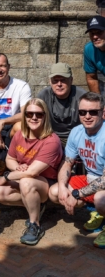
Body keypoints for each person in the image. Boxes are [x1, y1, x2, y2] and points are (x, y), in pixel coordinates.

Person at [0, 98, 62, 245]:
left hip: (46, 182)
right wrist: (17, 167)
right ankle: (36, 204)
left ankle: (35, 225)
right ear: (24, 116)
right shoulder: (19, 134)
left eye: (39, 114)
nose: (34, 118)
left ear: (45, 116)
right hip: (26, 178)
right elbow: (10, 159)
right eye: (29, 114)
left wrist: (7, 176)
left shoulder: (51, 140)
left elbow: (32, 173)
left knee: (26, 182)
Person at [49, 92, 105, 248]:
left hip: (103, 183)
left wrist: (77, 194)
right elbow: (67, 163)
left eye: (93, 112)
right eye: (82, 112)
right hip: (91, 179)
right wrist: (61, 187)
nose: (87, 116)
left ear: (102, 112)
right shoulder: (77, 132)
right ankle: (99, 214)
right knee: (54, 192)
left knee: (101, 198)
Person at [37, 62, 86, 147]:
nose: (59, 84)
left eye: (63, 80)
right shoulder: (43, 96)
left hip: (77, 137)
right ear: (50, 82)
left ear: (71, 80)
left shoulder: (82, 97)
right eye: (55, 81)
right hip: (50, 137)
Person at [83, 15, 105, 94]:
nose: (95, 36)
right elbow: (92, 78)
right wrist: (98, 103)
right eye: (92, 33)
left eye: (99, 32)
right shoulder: (89, 49)